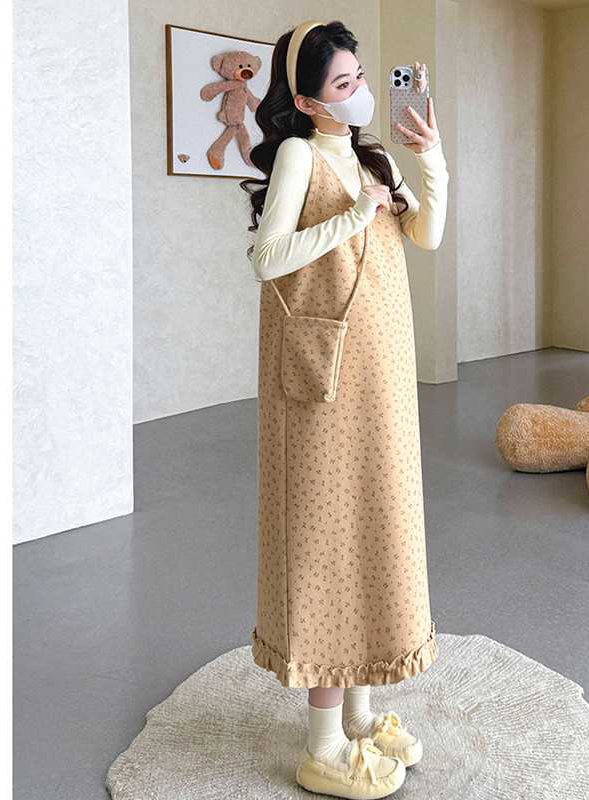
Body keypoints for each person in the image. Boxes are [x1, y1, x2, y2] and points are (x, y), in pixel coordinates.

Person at [240, 19, 448, 799]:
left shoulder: (373, 154)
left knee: (375, 525)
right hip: (323, 377)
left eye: (360, 77)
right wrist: (356, 215)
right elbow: (267, 259)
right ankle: (322, 746)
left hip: (383, 374)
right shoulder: (300, 154)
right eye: (343, 84)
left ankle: (359, 715)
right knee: (328, 538)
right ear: (305, 100)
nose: (359, 91)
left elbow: (426, 235)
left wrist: (430, 159)